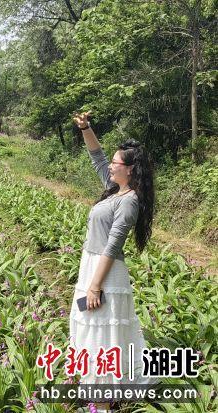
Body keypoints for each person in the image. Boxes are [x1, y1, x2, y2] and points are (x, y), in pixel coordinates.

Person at [70, 112, 156, 412]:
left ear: (130, 170)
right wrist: (85, 128)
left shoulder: (129, 200)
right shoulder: (114, 190)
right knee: (95, 332)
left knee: (101, 336)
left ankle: (103, 404)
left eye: (116, 163)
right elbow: (97, 155)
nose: (110, 165)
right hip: (92, 266)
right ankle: (100, 398)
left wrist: (95, 286)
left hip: (105, 273)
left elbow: (113, 245)